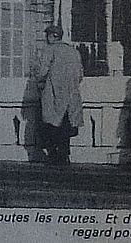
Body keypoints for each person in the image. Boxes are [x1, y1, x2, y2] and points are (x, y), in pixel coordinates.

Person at [30, 24, 84, 166]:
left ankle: (53, 155)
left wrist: (40, 83)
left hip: (53, 94)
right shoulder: (73, 51)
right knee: (66, 126)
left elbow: (42, 72)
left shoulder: (50, 50)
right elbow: (80, 75)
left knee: (51, 125)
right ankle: (65, 155)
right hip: (71, 95)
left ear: (51, 36)